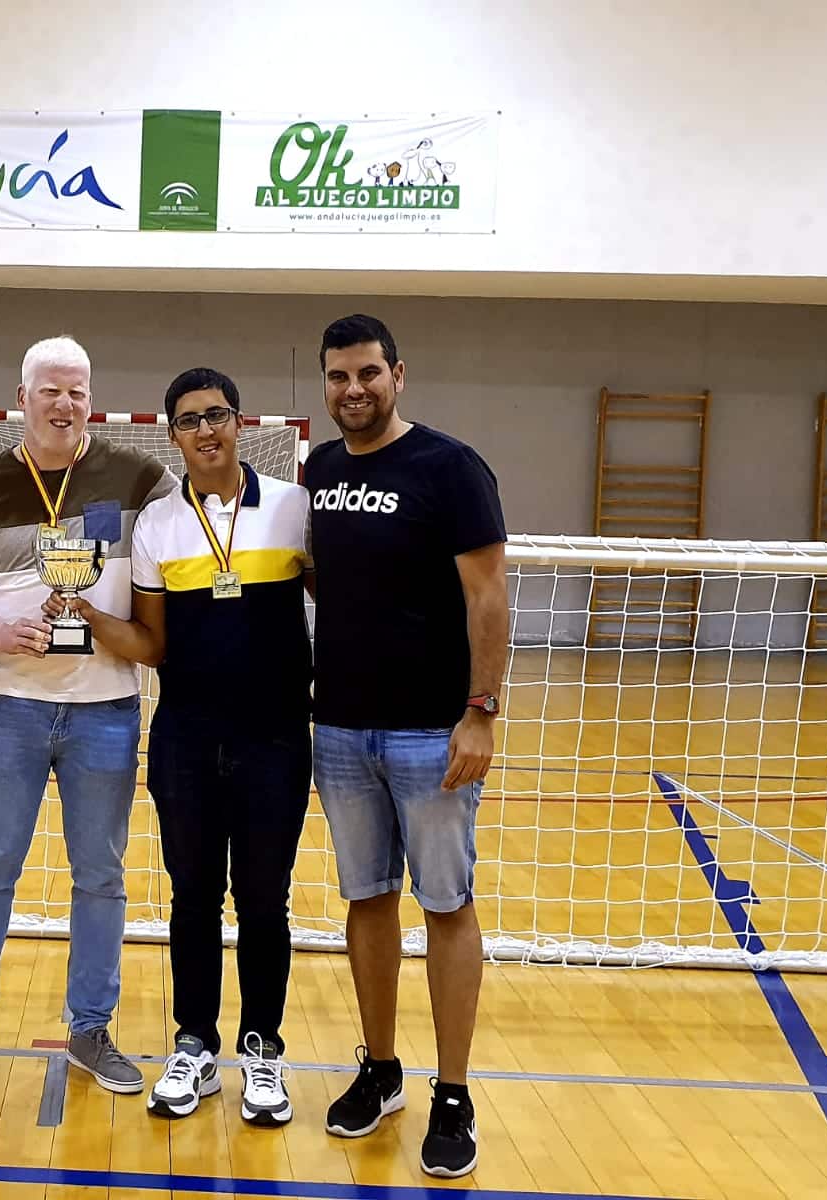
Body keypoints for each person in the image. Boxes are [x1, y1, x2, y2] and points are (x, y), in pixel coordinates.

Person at [0, 335, 177, 1099]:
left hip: (106, 710)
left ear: (91, 398)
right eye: (51, 390)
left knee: (101, 877)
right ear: (22, 397)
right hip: (8, 708)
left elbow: (177, 559)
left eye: (78, 390)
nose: (65, 404)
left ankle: (91, 1029)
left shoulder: (141, 478)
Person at [51, 368, 314, 1125]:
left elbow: (339, 595)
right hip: (188, 742)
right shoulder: (160, 524)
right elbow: (154, 646)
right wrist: (88, 615)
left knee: (266, 902)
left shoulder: (293, 508)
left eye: (219, 416)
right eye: (190, 421)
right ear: (171, 436)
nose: (206, 430)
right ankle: (194, 1044)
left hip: (274, 740)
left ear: (241, 424)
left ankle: (262, 1050)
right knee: (193, 901)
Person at [306, 315, 508, 1179]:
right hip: (341, 725)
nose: (353, 390)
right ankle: (381, 1070)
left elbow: (489, 595)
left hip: (434, 731)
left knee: (446, 906)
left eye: (368, 374)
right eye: (338, 377)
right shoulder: (318, 469)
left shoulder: (450, 468)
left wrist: (481, 711)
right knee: (367, 900)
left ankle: (452, 1093)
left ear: (398, 374)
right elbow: (322, 574)